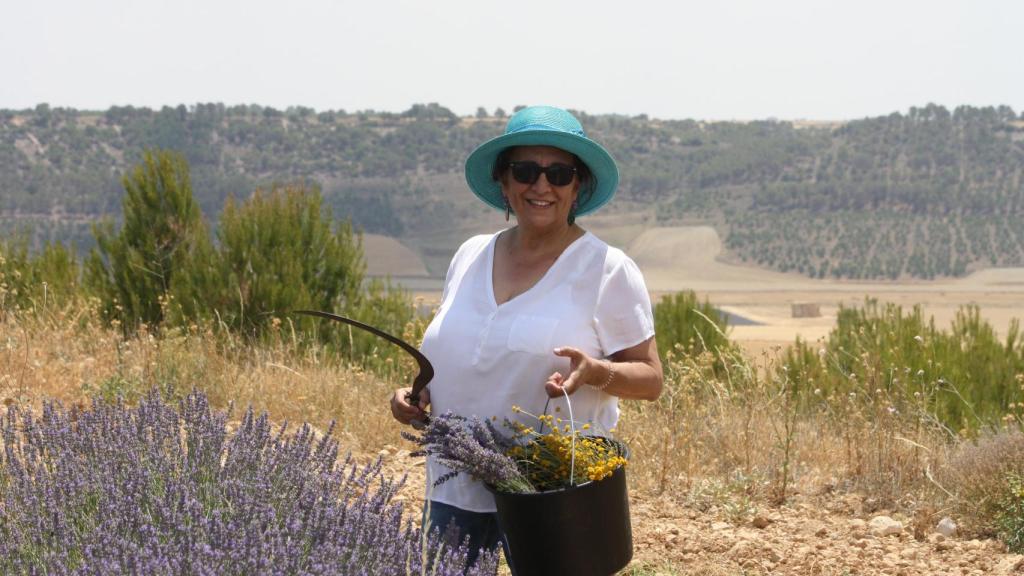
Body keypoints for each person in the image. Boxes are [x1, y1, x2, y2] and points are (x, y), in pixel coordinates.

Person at [390, 105, 663, 568]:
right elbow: (463, 355)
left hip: (551, 495)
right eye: (526, 171)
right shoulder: (470, 255)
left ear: (578, 186)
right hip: (454, 486)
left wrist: (597, 372)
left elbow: (651, 379)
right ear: (504, 182)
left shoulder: (606, 268)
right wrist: (413, 398)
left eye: (559, 173)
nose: (542, 185)